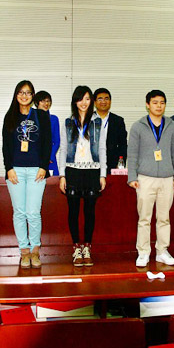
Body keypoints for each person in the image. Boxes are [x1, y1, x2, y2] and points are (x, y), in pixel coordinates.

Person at [127, 90, 174, 267]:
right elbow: (132, 154)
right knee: (144, 218)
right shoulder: (138, 126)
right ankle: (143, 252)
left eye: (162, 102)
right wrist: (132, 176)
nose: (159, 106)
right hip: (145, 178)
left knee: (164, 218)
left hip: (167, 178)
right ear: (147, 105)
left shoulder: (172, 126)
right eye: (155, 102)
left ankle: (162, 251)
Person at [2, 80, 52, 269]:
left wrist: (43, 167)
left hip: (36, 171)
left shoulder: (41, 115)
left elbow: (47, 142)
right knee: (19, 212)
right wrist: (8, 168)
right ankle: (24, 251)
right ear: (16, 95)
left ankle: (35, 250)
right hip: (15, 171)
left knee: (33, 212)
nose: (24, 96)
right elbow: (6, 145)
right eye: (21, 92)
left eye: (28, 92)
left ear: (33, 96)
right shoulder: (10, 116)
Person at [58, 86, 107, 266]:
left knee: (89, 212)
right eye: (80, 99)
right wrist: (62, 175)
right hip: (72, 171)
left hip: (92, 171)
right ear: (75, 101)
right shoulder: (68, 123)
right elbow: (63, 149)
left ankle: (87, 247)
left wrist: (103, 174)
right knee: (73, 211)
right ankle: (76, 248)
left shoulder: (98, 122)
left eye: (87, 99)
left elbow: (102, 148)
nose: (84, 103)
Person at [93, 88, 127, 174]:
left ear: (110, 101)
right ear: (94, 102)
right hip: (92, 164)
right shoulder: (88, 119)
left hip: (112, 164)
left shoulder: (118, 121)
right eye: (100, 99)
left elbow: (123, 145)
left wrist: (120, 164)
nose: (103, 101)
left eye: (106, 98)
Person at [33, 91, 60, 176]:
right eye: (43, 101)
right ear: (37, 103)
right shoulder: (31, 119)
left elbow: (57, 141)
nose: (46, 103)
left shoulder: (54, 119)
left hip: (49, 159)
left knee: (51, 182)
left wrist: (50, 156)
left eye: (48, 101)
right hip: (34, 159)